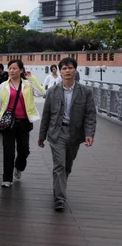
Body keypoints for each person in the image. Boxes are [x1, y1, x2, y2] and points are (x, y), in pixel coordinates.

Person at [38, 57, 96, 211]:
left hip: (75, 134)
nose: (67, 71)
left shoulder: (85, 92)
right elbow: (46, 115)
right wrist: (41, 136)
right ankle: (59, 199)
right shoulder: (52, 91)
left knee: (67, 166)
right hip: (57, 132)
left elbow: (90, 114)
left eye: (70, 68)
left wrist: (89, 133)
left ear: (75, 70)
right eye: (64, 68)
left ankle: (59, 187)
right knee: (60, 165)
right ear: (60, 71)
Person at [0, 59, 45, 188]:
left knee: (24, 151)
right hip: (8, 123)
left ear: (21, 70)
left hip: (24, 122)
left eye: (15, 68)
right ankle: (7, 179)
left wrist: (32, 78)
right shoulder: (3, 86)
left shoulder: (27, 85)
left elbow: (42, 93)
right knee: (8, 152)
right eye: (10, 68)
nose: (11, 70)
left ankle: (19, 167)